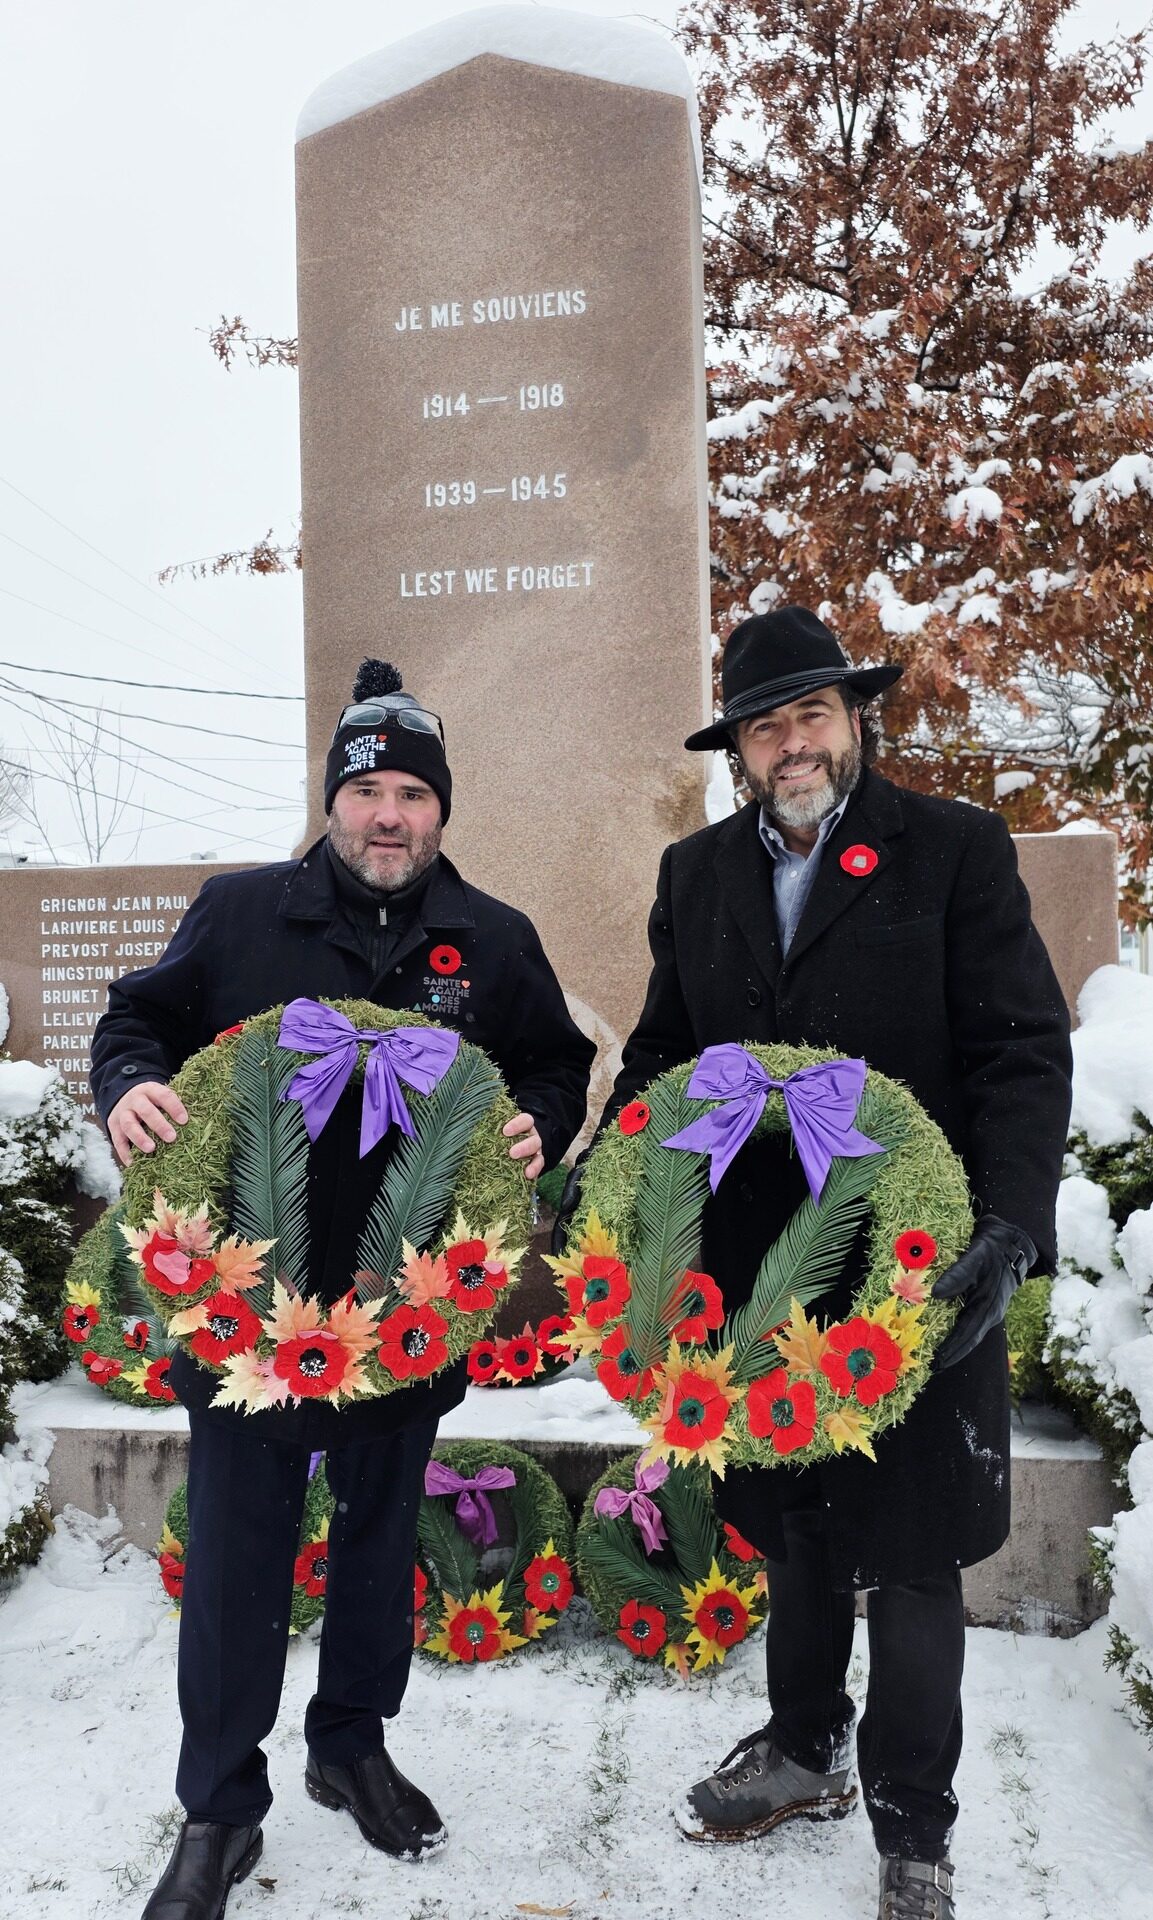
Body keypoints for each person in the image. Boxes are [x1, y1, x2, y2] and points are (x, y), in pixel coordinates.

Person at [572, 607, 1072, 1920]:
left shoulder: (950, 852)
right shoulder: (697, 874)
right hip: (757, 1273)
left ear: (854, 720)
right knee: (793, 1530)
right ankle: (802, 1751)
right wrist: (622, 1177)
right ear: (736, 748)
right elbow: (665, 1054)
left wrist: (1013, 1226)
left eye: (808, 714)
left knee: (912, 1552)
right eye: (762, 723)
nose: (788, 742)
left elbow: (1021, 1048)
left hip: (918, 1274)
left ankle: (914, 1822)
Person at [90, 659, 595, 1920]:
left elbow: (552, 1063)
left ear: (440, 810)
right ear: (331, 802)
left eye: (412, 791)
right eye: (365, 788)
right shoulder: (241, 912)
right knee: (236, 1560)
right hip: (246, 1312)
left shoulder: (490, 938)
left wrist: (537, 1122)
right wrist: (129, 1089)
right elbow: (134, 1023)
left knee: (375, 1545)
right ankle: (218, 1808)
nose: (388, 814)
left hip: (408, 1311)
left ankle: (350, 1745)